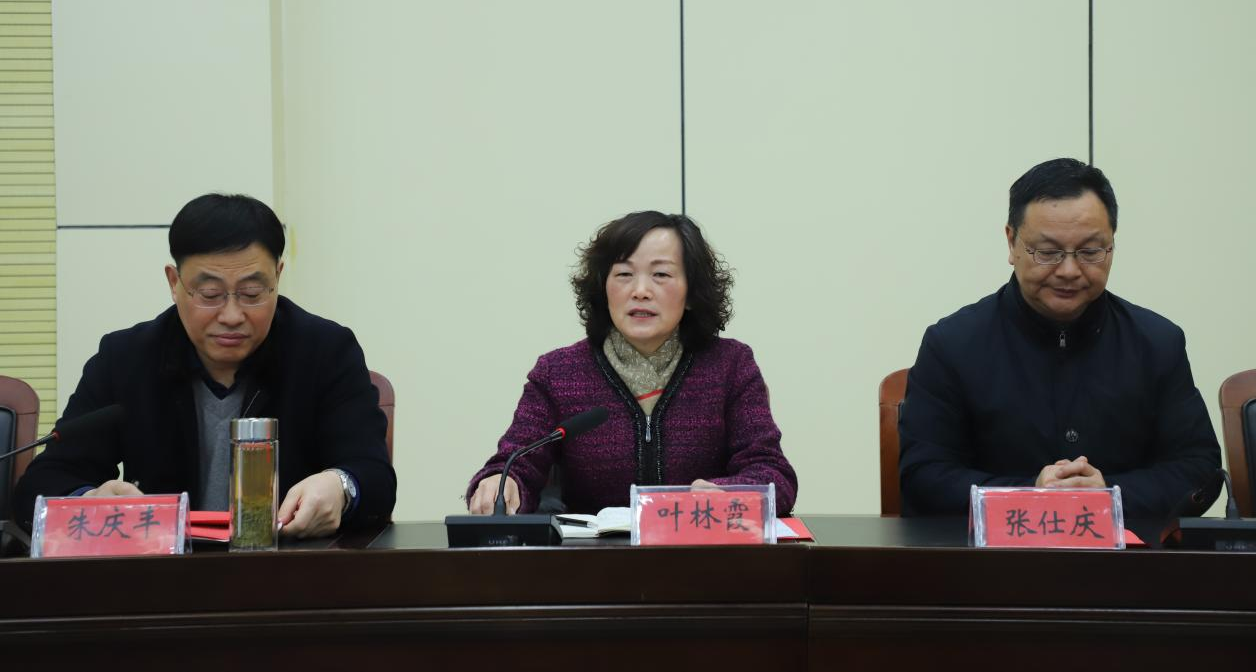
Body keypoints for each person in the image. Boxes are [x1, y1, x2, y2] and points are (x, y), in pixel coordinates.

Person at [13, 194, 396, 537]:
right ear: (174, 282)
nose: (231, 315)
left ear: (277, 277)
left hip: (290, 572)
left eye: (252, 293)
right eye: (210, 294)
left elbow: (374, 475)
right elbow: (43, 483)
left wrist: (340, 486)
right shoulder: (126, 358)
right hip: (162, 578)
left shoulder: (325, 351)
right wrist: (88, 499)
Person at [898, 158, 1221, 523]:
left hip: (1128, 555)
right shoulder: (952, 345)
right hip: (993, 556)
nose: (1069, 270)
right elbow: (923, 477)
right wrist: (1031, 494)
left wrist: (1110, 495)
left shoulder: (1157, 343)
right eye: (1048, 252)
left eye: (1090, 251)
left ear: (1112, 244)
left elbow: (1200, 469)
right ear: (1011, 242)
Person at [466, 211, 797, 516]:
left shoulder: (730, 366)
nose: (640, 291)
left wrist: (725, 494)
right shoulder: (558, 373)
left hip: (703, 551)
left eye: (661, 274)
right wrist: (500, 483)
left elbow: (772, 474)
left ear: (692, 291)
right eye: (624, 274)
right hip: (594, 557)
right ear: (603, 288)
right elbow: (515, 463)